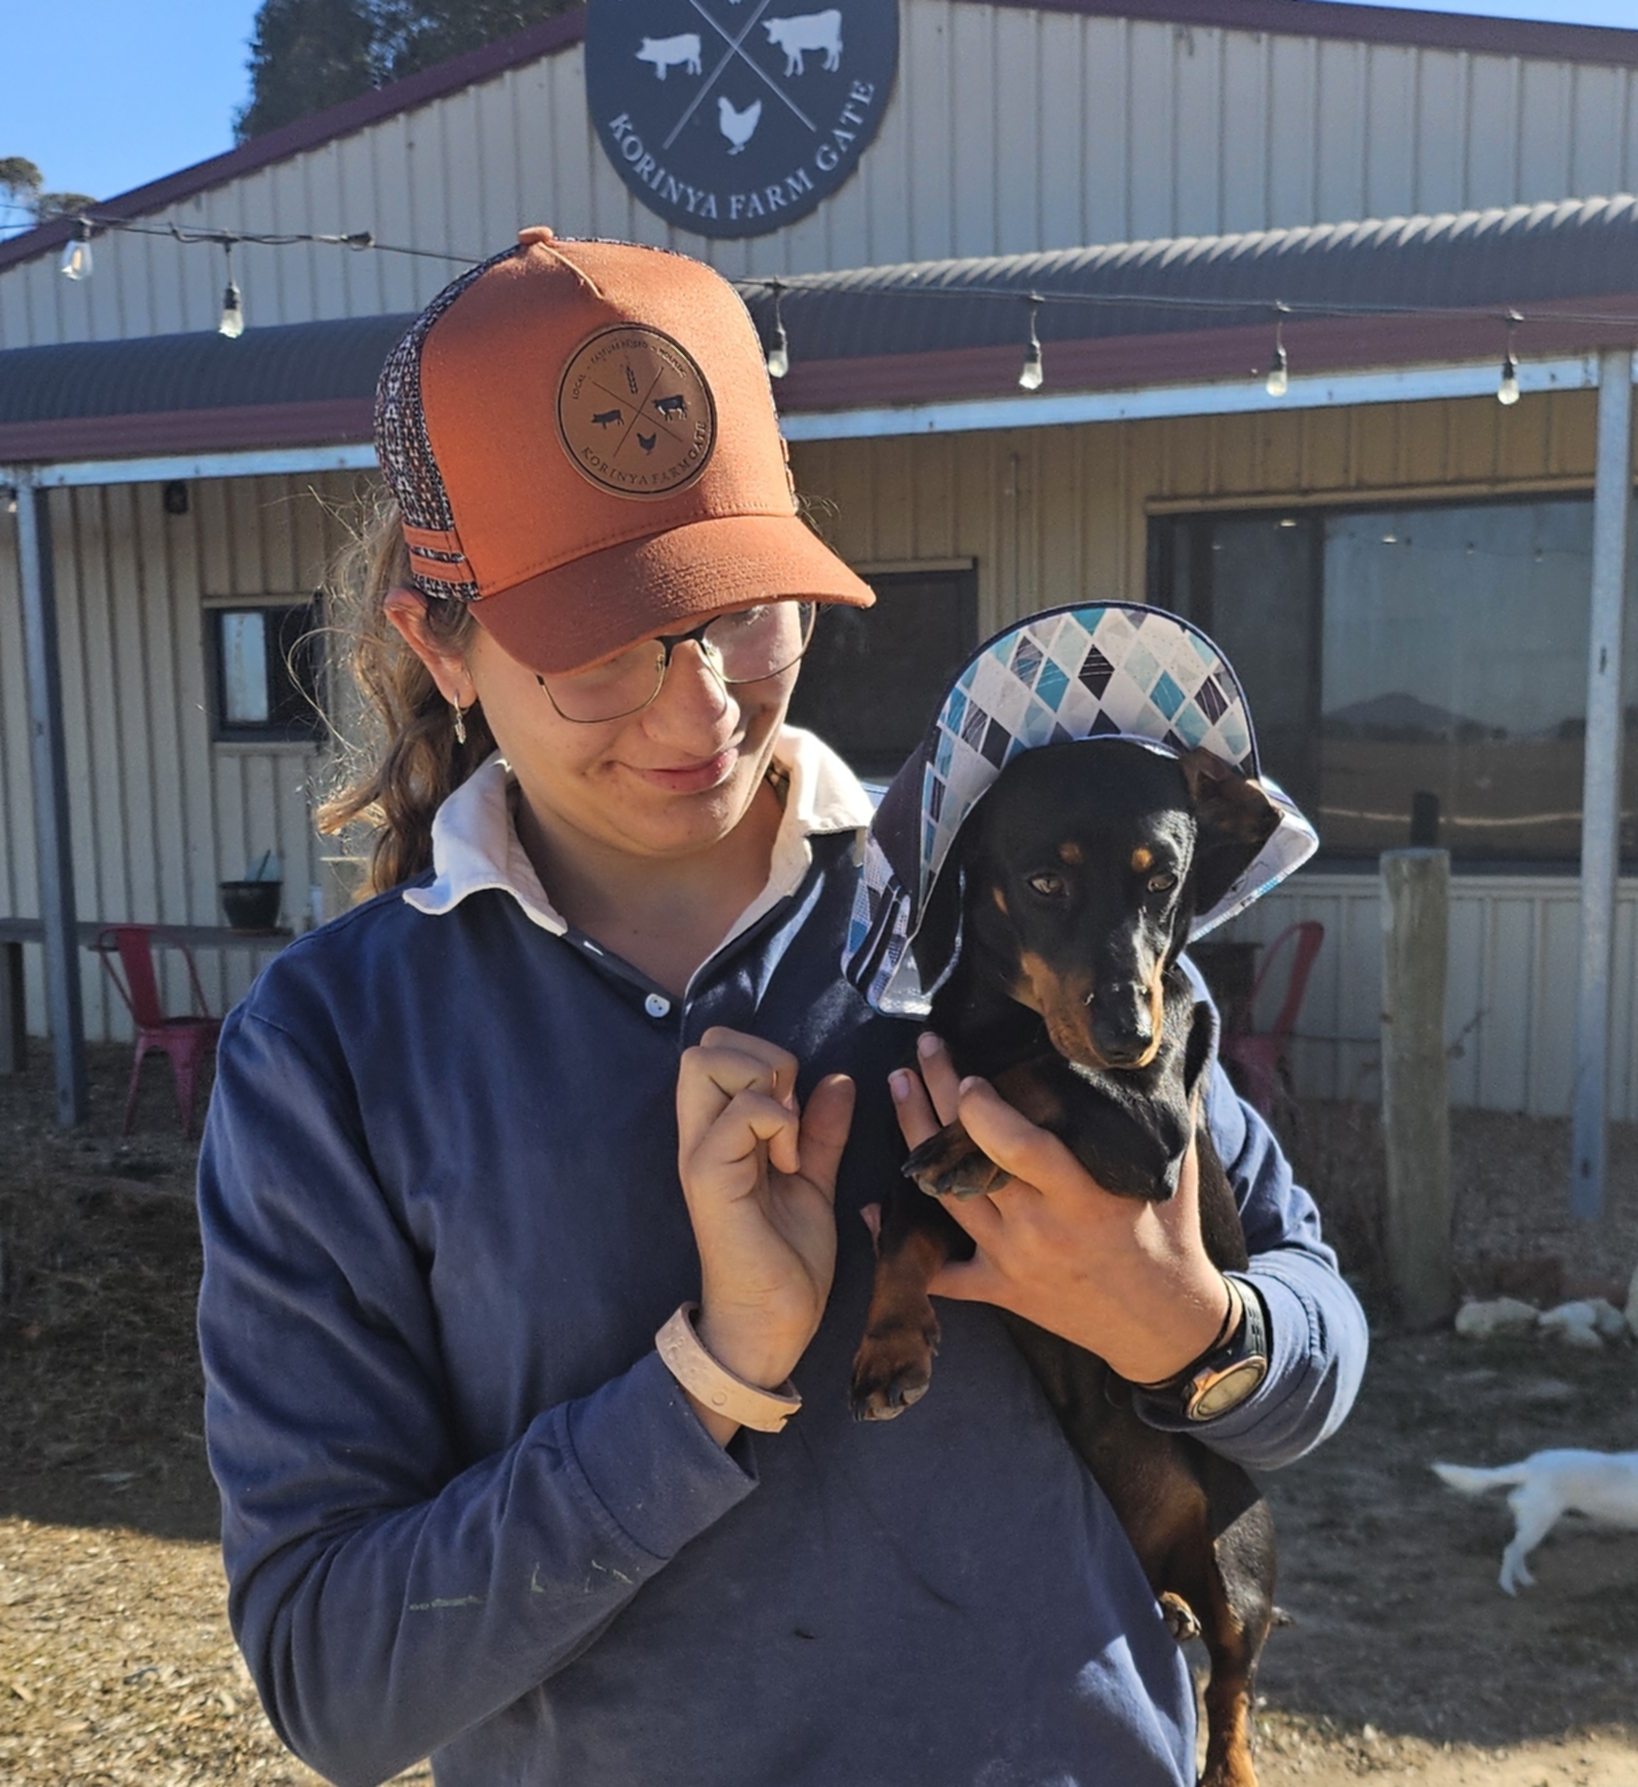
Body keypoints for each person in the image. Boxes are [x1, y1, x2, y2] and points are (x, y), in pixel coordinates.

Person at [196, 229, 1367, 1787]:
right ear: (443, 643)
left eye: (742, 609)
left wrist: (1191, 1331)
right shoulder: (337, 1044)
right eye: (605, 652)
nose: (706, 708)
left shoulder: (1000, 900)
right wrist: (712, 1376)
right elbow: (334, 1684)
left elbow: (1320, 1349)